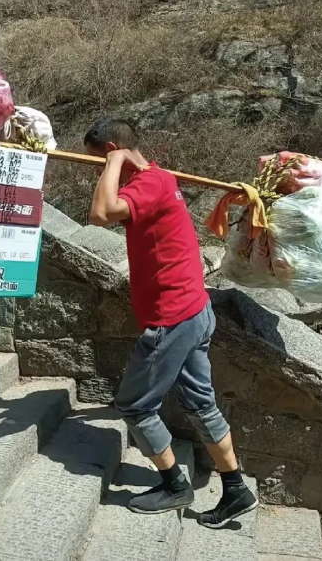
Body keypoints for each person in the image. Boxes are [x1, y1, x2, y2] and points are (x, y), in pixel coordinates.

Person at [84, 117, 258, 529]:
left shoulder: (146, 184)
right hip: (195, 310)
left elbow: (99, 213)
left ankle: (174, 484)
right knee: (201, 403)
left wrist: (112, 162)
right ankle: (236, 489)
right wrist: (117, 162)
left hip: (172, 319)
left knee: (135, 405)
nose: (99, 171)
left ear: (112, 148)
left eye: (99, 161)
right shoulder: (158, 179)